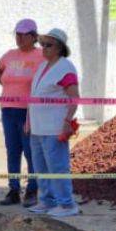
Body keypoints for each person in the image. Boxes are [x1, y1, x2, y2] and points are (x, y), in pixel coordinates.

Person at [25, 27, 81, 218]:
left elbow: (74, 97)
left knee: (57, 167)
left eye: (49, 45)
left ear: (60, 48)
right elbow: (34, 96)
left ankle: (67, 204)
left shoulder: (65, 67)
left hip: (54, 126)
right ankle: (47, 200)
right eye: (42, 44)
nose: (44, 48)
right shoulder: (43, 66)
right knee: (40, 167)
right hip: (38, 127)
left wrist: (67, 122)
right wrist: (28, 120)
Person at [0, 18, 46, 206]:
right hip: (8, 110)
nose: (20, 38)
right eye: (17, 34)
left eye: (24, 35)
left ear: (34, 37)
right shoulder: (9, 55)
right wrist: (9, 88)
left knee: (30, 151)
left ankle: (32, 189)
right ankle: (13, 190)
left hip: (29, 111)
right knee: (12, 150)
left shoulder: (41, 55)